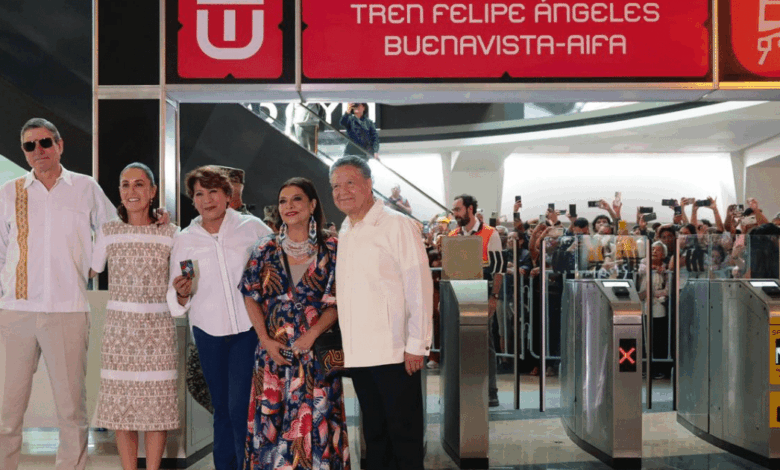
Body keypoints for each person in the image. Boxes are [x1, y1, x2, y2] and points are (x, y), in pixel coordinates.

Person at [0, 118, 115, 470]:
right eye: (29, 146)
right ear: (23, 152)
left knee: (71, 408)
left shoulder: (84, 187)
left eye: (45, 143)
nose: (38, 151)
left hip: (68, 307)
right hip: (17, 310)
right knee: (8, 407)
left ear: (60, 145)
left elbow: (110, 226)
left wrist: (92, 266)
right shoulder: (10, 191)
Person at [330, 156, 432, 470]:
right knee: (375, 435)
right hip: (360, 354)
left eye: (350, 182)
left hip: (395, 352)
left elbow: (419, 284)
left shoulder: (396, 224)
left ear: (369, 184)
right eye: (335, 186)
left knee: (404, 437)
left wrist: (417, 344)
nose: (342, 191)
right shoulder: (346, 228)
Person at [240, 177, 350, 470]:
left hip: (317, 358)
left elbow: (337, 300)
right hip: (272, 356)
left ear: (312, 204)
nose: (289, 206)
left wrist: (312, 334)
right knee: (272, 431)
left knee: (319, 426)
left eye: (297, 199)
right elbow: (250, 295)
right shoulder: (264, 249)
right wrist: (264, 339)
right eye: (283, 201)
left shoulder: (333, 248)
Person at [167, 166, 271, 470]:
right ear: (193, 200)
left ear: (228, 196)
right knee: (222, 408)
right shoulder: (185, 239)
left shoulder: (252, 228)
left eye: (213, 191)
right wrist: (182, 293)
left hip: (247, 330)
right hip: (208, 333)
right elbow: (175, 297)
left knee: (240, 407)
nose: (206, 199)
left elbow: (277, 266)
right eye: (199, 193)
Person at [90, 163, 179, 470]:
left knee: (157, 409)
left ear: (153, 192)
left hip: (158, 332)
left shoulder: (171, 233)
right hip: (119, 335)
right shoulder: (108, 231)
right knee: (121, 411)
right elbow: (91, 267)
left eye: (139, 184)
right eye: (125, 185)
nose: (132, 191)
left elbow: (183, 279)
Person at [448, 194, 505, 404]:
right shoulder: (453, 235)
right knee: (458, 341)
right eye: (454, 210)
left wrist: (494, 297)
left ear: (470, 209)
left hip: (482, 293)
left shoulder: (491, 234)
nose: (455, 214)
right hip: (457, 295)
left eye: (457, 209)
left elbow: (499, 269)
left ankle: (491, 389)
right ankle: (461, 388)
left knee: (485, 341)